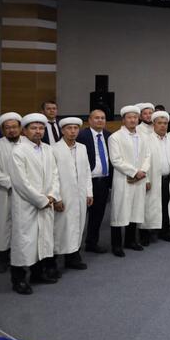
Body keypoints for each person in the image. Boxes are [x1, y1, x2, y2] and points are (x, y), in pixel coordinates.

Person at [8, 113, 61, 295]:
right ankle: (18, 279)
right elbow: (20, 182)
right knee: (24, 242)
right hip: (27, 204)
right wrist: (42, 200)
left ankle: (37, 274)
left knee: (42, 240)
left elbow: (55, 174)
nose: (38, 131)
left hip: (47, 202)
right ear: (24, 130)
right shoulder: (18, 151)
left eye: (41, 128)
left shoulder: (48, 149)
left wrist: (52, 195)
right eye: (33, 128)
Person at [108, 105, 151, 257]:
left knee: (135, 209)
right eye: (129, 117)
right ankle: (116, 245)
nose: (133, 120)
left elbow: (148, 156)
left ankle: (130, 241)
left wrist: (142, 171)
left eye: (135, 117)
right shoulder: (115, 137)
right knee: (120, 211)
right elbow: (116, 160)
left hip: (139, 179)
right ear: (123, 119)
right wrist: (134, 172)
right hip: (123, 179)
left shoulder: (143, 137)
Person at [52, 117, 92, 272]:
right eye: (69, 128)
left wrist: (89, 192)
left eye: (75, 128)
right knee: (61, 228)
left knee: (78, 225)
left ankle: (73, 257)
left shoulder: (82, 147)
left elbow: (87, 170)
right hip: (64, 195)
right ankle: (54, 261)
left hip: (80, 194)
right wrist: (57, 197)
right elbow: (52, 176)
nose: (73, 131)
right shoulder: (54, 149)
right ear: (62, 130)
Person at [0, 112, 22, 273]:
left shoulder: (27, 144)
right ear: (2, 130)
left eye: (14, 127)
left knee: (22, 225)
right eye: (8, 127)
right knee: (2, 226)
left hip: (25, 194)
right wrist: (14, 184)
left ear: (20, 128)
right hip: (3, 192)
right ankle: (2, 258)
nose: (11, 130)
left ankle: (20, 257)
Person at [77, 108, 113, 254]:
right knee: (79, 216)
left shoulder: (109, 136)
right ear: (90, 120)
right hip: (86, 182)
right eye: (96, 118)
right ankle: (74, 248)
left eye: (103, 118)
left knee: (97, 215)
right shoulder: (81, 135)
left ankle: (92, 243)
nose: (100, 120)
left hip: (103, 182)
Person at [142, 110, 170, 243]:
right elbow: (143, 161)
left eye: (165, 123)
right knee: (150, 207)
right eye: (160, 123)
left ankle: (164, 231)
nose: (163, 125)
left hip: (168, 179)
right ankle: (146, 233)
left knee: (166, 205)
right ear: (154, 124)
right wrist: (146, 179)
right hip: (153, 179)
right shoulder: (146, 140)